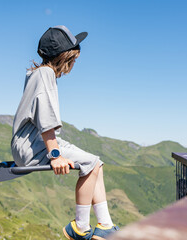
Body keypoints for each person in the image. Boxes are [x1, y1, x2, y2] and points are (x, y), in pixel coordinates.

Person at [11, 25, 119, 240]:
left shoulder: (38, 73)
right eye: (74, 56)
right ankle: (79, 227)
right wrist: (55, 155)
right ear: (65, 56)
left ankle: (105, 225)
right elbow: (45, 117)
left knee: (96, 163)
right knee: (89, 165)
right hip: (34, 145)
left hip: (32, 143)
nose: (75, 61)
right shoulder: (45, 74)